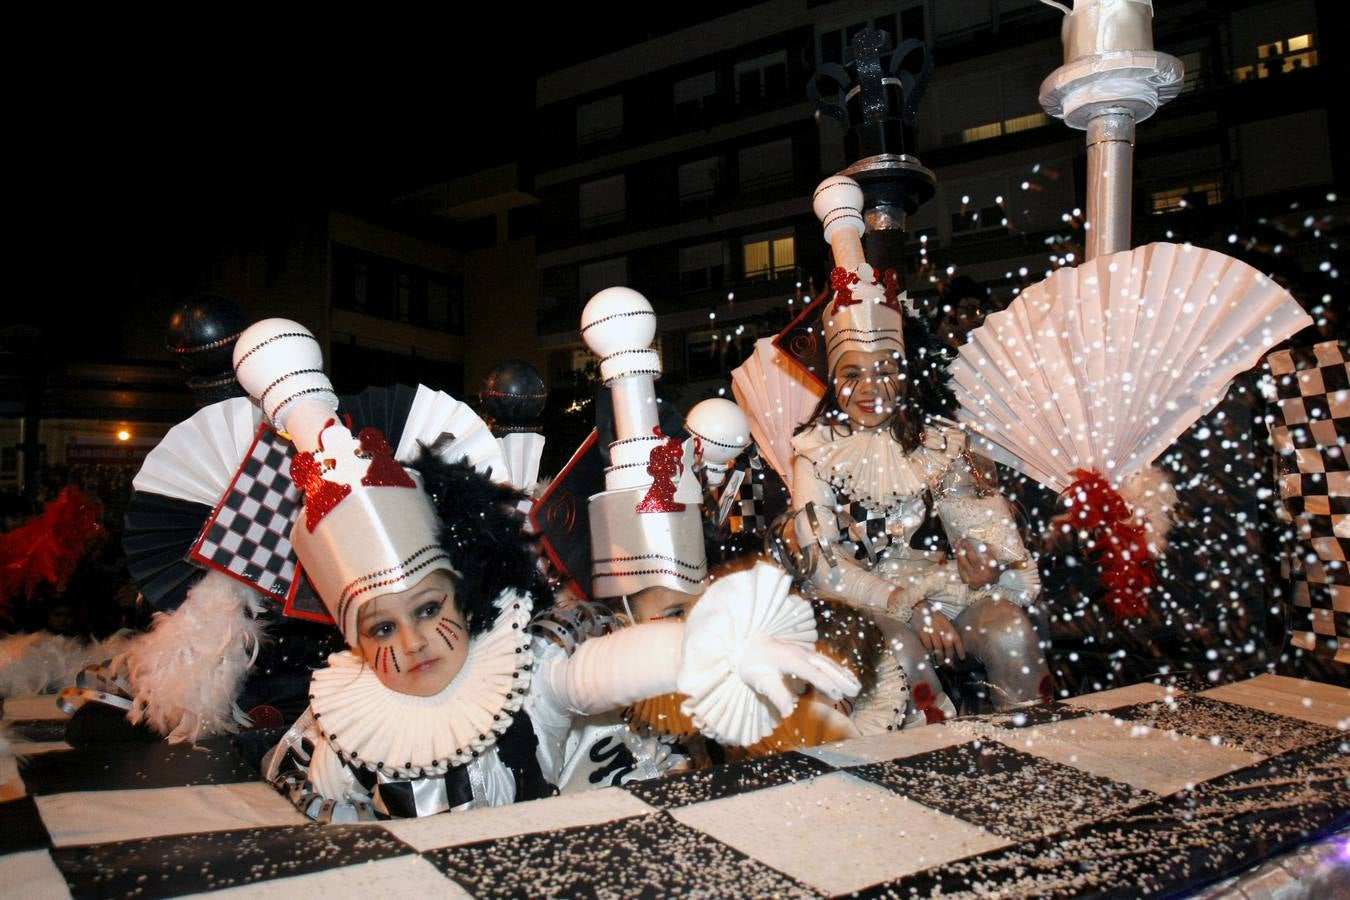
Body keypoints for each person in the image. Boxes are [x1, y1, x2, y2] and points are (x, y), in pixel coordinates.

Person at [229, 319, 860, 821]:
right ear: (352, 642)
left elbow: (604, 672)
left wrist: (716, 646)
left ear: (462, 598)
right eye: (382, 630)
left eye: (427, 610)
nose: (416, 641)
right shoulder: (341, 735)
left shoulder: (523, 679)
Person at [787, 176, 1050, 724]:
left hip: (935, 584)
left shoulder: (938, 441)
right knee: (901, 653)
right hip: (858, 600)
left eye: (885, 371)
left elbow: (976, 524)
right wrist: (910, 607)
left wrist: (985, 564)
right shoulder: (813, 452)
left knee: (1009, 632)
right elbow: (827, 568)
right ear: (833, 380)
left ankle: (1034, 758)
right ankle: (928, 775)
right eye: (853, 374)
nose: (869, 389)